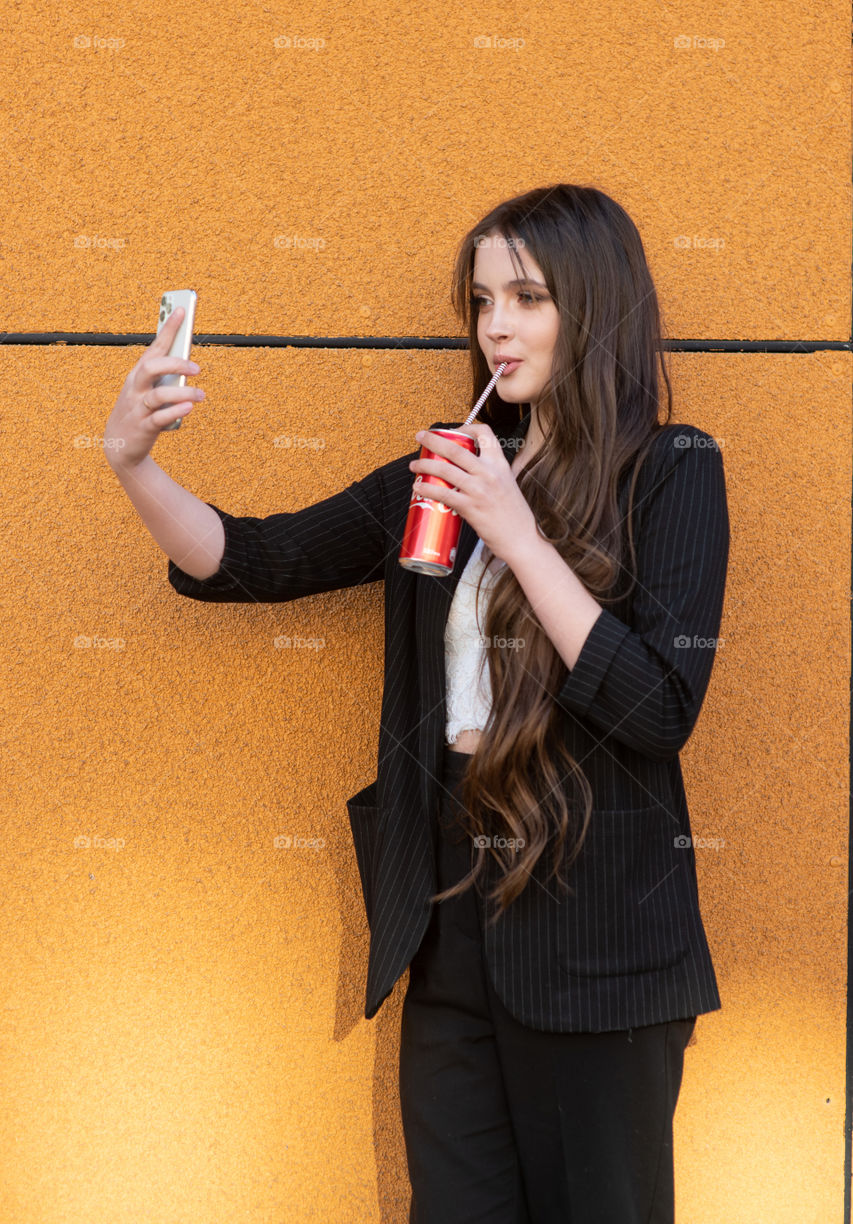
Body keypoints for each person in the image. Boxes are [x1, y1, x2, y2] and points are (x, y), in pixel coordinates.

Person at [104, 183, 730, 1223]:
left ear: (597, 303)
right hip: (448, 925)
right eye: (480, 300)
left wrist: (518, 534)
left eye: (526, 297)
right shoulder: (444, 465)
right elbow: (255, 558)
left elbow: (658, 706)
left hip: (600, 942)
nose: (495, 326)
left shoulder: (670, 468)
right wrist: (133, 462)